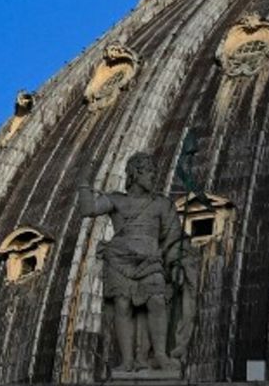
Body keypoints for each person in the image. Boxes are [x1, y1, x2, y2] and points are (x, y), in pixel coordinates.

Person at [79, 153, 194, 375]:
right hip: (119, 259)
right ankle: (128, 360)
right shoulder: (116, 200)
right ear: (136, 173)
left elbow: (174, 238)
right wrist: (84, 183)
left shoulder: (161, 204)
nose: (154, 177)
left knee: (157, 301)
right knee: (122, 306)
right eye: (150, 172)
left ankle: (160, 354)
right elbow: (88, 210)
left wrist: (177, 264)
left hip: (151, 259)